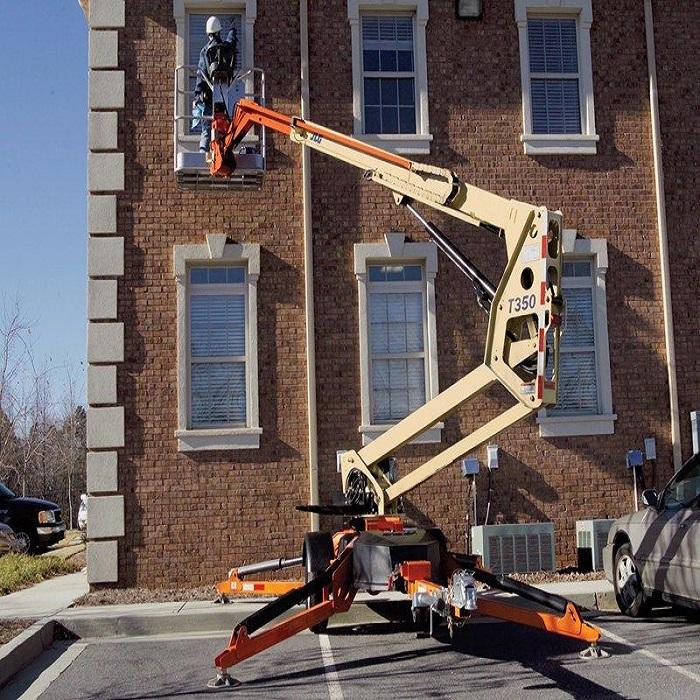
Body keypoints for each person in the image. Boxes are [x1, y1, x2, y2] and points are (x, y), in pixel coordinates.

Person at [193, 16, 238, 152]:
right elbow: (232, 41)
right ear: (219, 32)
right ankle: (224, 150)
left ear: (208, 33)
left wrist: (197, 95)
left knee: (207, 129)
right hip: (224, 95)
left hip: (208, 95)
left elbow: (201, 74)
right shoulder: (226, 47)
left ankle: (203, 151)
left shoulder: (205, 51)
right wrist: (232, 29)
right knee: (224, 125)